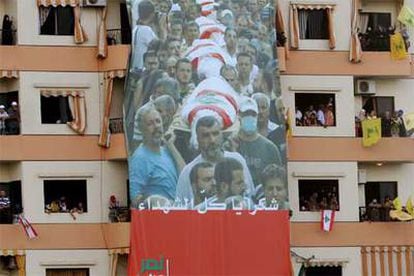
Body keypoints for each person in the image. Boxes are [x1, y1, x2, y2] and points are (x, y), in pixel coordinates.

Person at [176, 116, 254, 202]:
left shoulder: (238, 160)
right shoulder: (188, 171)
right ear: (197, 139)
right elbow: (180, 206)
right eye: (206, 135)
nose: (212, 140)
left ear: (222, 135)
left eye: (215, 133)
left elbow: (249, 195)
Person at [130, 104, 185, 205]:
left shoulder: (166, 150)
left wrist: (171, 146)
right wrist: (154, 202)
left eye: (158, 121)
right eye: (150, 124)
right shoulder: (140, 158)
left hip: (177, 210)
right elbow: (134, 197)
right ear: (142, 130)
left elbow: (185, 176)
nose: (156, 126)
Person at [233, 97, 282, 187]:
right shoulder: (231, 144)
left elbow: (278, 179)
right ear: (239, 115)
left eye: (253, 114)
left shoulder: (270, 148)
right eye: (246, 114)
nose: (250, 117)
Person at [130, 0, 158, 72]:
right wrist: (162, 28)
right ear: (152, 14)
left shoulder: (136, 28)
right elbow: (160, 47)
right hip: (143, 70)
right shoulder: (146, 30)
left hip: (135, 68)